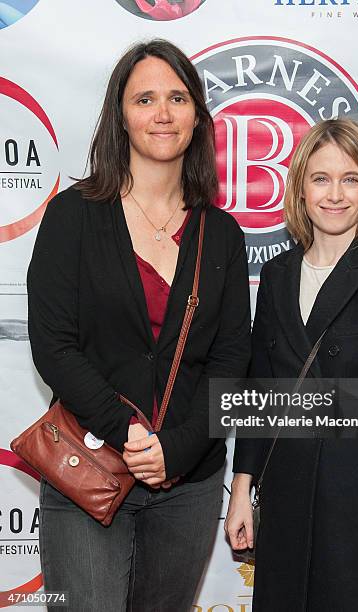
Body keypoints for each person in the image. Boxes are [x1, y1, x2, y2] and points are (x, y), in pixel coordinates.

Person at [28, 39, 251, 611]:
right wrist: (127, 430)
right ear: (120, 116)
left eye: (178, 98)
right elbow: (53, 345)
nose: (162, 113)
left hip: (189, 485)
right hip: (90, 466)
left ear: (197, 116)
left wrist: (175, 449)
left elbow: (230, 363)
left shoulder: (221, 235)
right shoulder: (74, 215)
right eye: (145, 98)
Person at [225, 119, 358, 611]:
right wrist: (242, 488)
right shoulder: (278, 275)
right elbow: (262, 392)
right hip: (285, 507)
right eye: (321, 178)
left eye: (351, 179)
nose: (335, 194)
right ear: (300, 188)